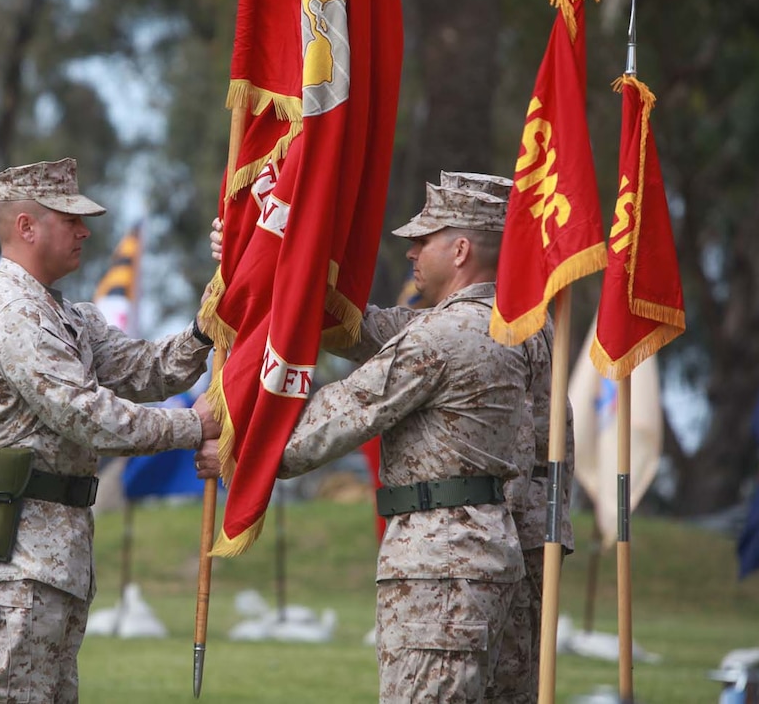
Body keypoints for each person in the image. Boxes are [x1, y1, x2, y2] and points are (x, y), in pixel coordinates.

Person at [201, 178, 531, 701]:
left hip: (440, 566)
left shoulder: (440, 338)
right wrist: (258, 257)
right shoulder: (524, 329)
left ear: (461, 249)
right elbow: (367, 327)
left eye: (425, 239)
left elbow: (338, 416)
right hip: (500, 557)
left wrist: (236, 442)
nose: (411, 250)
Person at [0, 157, 220, 704]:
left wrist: (207, 326)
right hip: (8, 566)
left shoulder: (65, 316)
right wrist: (190, 426)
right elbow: (86, 416)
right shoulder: (11, 314)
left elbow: (147, 369)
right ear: (26, 227)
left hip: (49, 562)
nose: (85, 230)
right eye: (70, 219)